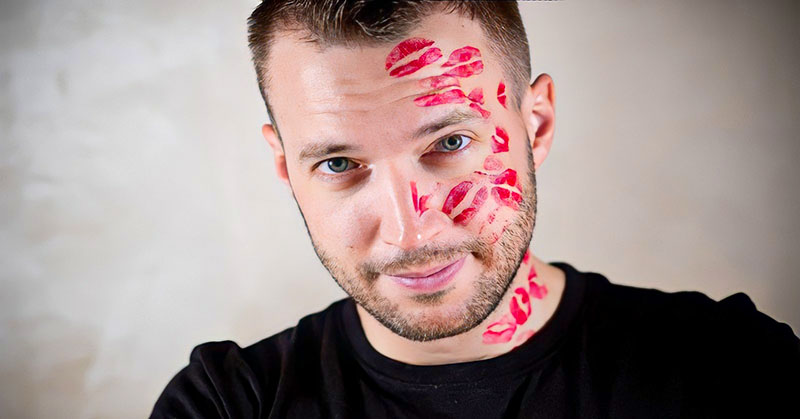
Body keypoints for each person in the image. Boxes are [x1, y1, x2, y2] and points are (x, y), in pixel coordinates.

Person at [151, 1, 800, 417]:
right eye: (340, 164)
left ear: (536, 125)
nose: (409, 229)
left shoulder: (731, 371)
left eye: (450, 143)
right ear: (285, 166)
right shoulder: (229, 404)